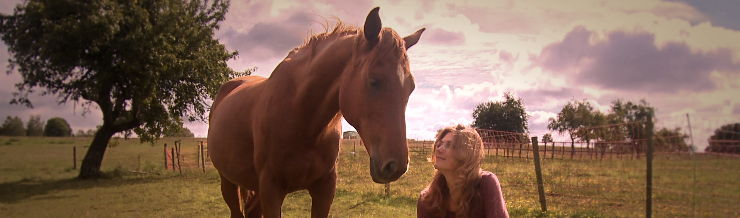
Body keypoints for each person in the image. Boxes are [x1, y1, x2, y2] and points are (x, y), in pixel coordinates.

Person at [417, 124, 509, 218]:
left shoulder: (486, 183)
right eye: (440, 144)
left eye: (449, 145)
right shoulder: (427, 200)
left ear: (465, 153)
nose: (439, 149)